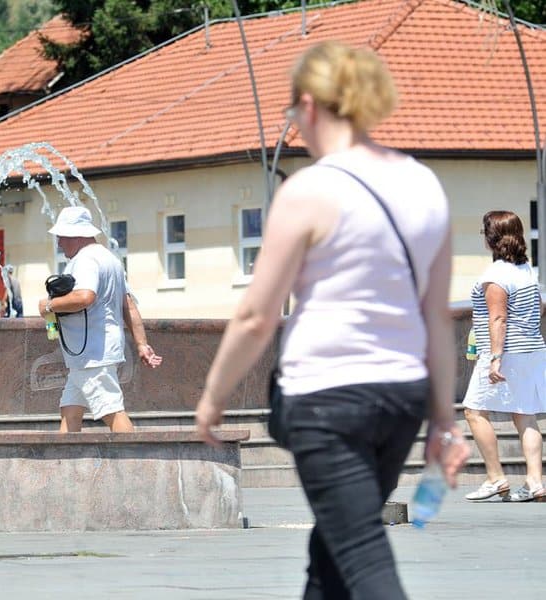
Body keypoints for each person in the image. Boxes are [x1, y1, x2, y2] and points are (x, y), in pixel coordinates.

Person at [195, 42, 470, 600]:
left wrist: (213, 396)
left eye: (294, 116)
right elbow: (435, 319)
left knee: (361, 551)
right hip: (401, 399)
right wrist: (444, 416)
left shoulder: (310, 190)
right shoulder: (424, 185)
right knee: (333, 556)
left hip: (326, 398)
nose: (295, 126)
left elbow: (255, 315)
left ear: (309, 105)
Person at [38, 206, 162, 433]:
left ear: (76, 235)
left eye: (61, 237)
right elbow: (129, 306)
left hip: (93, 354)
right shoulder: (110, 259)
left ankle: (139, 461)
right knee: (70, 410)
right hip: (91, 354)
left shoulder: (86, 260)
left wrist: (48, 306)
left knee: (110, 410)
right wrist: (142, 344)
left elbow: (86, 296)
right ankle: (66, 463)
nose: (59, 243)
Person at [462, 210, 546, 502]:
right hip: (532, 350)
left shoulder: (495, 275)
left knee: (473, 411)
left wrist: (495, 358)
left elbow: (498, 319)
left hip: (504, 352)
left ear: (490, 239)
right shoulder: (526, 270)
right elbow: (539, 307)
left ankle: (496, 477)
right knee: (525, 414)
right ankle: (535, 482)